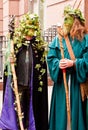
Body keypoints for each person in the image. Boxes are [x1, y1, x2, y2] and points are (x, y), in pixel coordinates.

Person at [0, 13, 48, 130]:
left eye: (32, 29)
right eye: (28, 29)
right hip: (19, 84)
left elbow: (42, 67)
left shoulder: (38, 46)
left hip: (33, 85)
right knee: (18, 110)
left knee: (31, 109)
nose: (29, 33)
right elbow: (8, 64)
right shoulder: (16, 45)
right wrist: (10, 59)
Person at [47, 5, 88, 130]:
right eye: (64, 19)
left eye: (67, 19)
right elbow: (51, 57)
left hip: (77, 83)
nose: (64, 22)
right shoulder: (58, 39)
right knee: (62, 113)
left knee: (76, 114)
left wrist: (74, 63)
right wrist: (57, 64)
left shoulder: (84, 39)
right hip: (62, 83)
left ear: (75, 21)